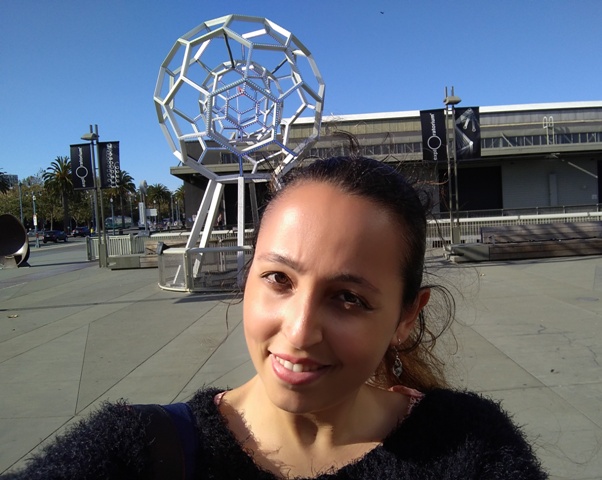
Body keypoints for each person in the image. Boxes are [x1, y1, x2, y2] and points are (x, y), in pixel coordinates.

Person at [2, 156, 547, 479]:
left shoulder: (471, 446)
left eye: (348, 297)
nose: (300, 330)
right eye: (279, 279)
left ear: (407, 317)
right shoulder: (136, 450)